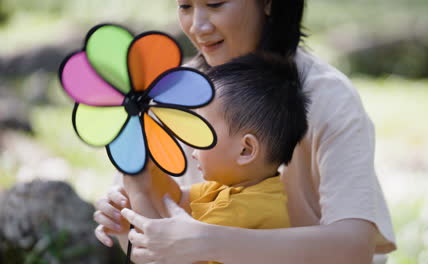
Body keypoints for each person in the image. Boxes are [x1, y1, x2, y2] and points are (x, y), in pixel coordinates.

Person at [94, 1, 397, 263]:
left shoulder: (328, 96)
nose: (198, 26)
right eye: (184, 6)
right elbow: (157, 243)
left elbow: (354, 248)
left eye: (215, 4)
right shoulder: (168, 94)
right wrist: (124, 215)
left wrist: (206, 241)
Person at [121, 52, 308, 264]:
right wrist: (152, 170)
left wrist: (137, 192)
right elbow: (176, 200)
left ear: (245, 150)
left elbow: (163, 255)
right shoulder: (237, 189)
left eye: (203, 130)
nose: (191, 141)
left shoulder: (244, 211)